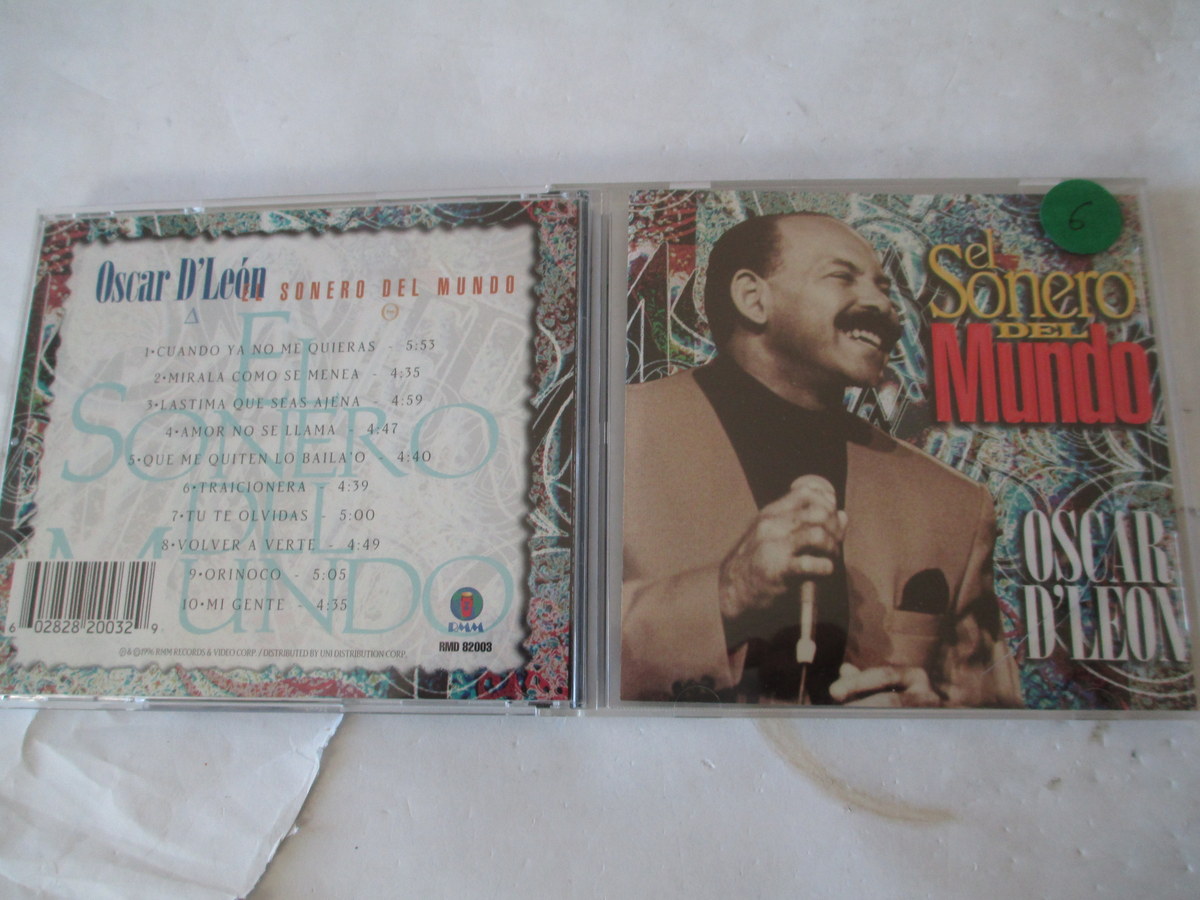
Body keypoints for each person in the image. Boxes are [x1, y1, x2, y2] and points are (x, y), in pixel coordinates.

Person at [620, 212, 1022, 707]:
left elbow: (993, 712)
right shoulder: (612, 434)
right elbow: (552, 651)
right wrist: (726, 594)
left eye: (884, 289)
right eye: (842, 277)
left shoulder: (954, 505)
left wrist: (932, 718)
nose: (884, 306)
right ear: (753, 298)